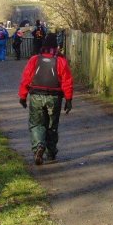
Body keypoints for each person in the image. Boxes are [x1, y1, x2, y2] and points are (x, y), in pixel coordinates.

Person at [18, 32, 74, 165]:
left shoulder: (34, 60)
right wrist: (69, 99)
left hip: (36, 95)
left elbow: (26, 78)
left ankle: (39, 146)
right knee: (52, 126)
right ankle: (51, 152)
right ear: (56, 47)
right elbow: (67, 81)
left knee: (37, 124)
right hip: (54, 97)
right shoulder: (61, 61)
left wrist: (22, 96)